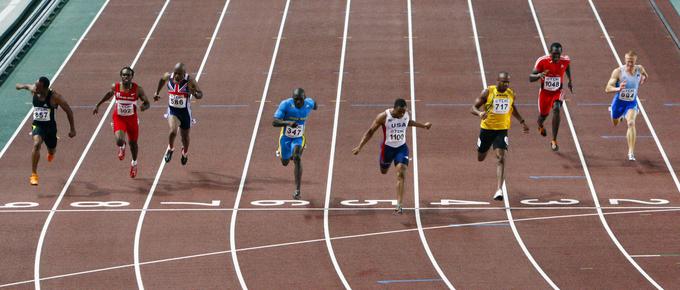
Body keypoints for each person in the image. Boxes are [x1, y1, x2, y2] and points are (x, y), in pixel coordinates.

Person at [352, 98, 432, 214]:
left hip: (401, 148)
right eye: (400, 111)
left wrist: (423, 126)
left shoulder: (405, 115)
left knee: (401, 172)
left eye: (404, 111)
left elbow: (408, 122)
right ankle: (384, 159)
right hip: (387, 149)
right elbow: (370, 132)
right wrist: (360, 146)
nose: (402, 114)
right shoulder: (383, 117)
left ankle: (399, 204)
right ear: (394, 108)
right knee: (383, 171)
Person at [471, 72, 529, 200]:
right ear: (497, 81)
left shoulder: (511, 93)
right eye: (503, 82)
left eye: (507, 82)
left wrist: (522, 122)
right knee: (480, 157)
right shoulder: (488, 92)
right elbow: (473, 108)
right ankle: (485, 148)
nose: (505, 84)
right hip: (487, 129)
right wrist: (479, 114)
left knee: (501, 158)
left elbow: (512, 108)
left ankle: (499, 190)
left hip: (501, 130)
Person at [15, 77, 76, 185]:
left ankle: (51, 152)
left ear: (44, 88)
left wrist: (72, 129)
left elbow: (69, 111)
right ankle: (34, 175)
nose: (35, 88)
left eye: (37, 87)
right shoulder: (35, 89)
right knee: (36, 144)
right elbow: (27, 86)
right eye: (35, 86)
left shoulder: (55, 97)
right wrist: (20, 86)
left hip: (50, 128)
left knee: (52, 149)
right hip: (37, 126)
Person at [93, 66, 150, 178]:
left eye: (128, 75)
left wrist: (144, 106)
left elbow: (147, 102)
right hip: (119, 118)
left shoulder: (138, 89)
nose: (126, 77)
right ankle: (122, 146)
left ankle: (134, 163)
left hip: (132, 119)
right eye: (124, 75)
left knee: (133, 144)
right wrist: (98, 104)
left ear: (132, 76)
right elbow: (109, 94)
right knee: (119, 140)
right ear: (121, 76)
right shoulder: (116, 86)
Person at [154, 63, 203, 165]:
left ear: (184, 73)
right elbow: (162, 80)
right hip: (173, 111)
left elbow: (200, 94)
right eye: (175, 73)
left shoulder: (189, 81)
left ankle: (184, 152)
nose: (177, 75)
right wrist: (157, 93)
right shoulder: (168, 76)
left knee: (185, 138)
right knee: (173, 131)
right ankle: (170, 148)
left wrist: (194, 93)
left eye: (179, 74)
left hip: (185, 113)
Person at [272, 88, 317, 200]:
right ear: (293, 99)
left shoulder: (308, 103)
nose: (298, 102)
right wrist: (288, 123)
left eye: (300, 99)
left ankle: (297, 190)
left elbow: (315, 105)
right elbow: (274, 122)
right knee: (285, 162)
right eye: (296, 99)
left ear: (304, 99)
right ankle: (283, 152)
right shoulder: (285, 104)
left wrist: (314, 105)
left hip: (298, 138)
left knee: (297, 157)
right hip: (286, 138)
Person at [605, 50, 648, 161]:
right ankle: (619, 117)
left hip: (631, 103)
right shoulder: (618, 72)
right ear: (625, 60)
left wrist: (643, 78)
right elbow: (607, 88)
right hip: (619, 102)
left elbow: (645, 75)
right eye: (628, 61)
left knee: (631, 123)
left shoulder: (640, 68)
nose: (629, 64)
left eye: (632, 62)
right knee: (615, 123)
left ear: (635, 61)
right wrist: (618, 88)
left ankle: (631, 152)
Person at [530, 42, 572, 151]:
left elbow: (567, 67)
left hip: (557, 92)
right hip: (545, 93)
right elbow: (530, 77)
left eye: (558, 54)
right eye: (554, 54)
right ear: (550, 52)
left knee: (557, 109)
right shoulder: (542, 61)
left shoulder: (565, 60)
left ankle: (554, 140)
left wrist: (570, 80)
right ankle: (540, 125)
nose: (556, 57)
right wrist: (539, 75)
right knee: (542, 117)